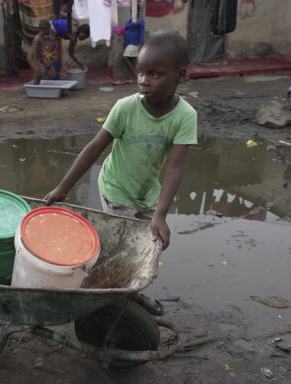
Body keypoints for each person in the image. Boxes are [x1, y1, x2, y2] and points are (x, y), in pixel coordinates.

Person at [44, 32, 197, 250]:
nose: (143, 81)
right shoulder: (125, 108)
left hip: (148, 193)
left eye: (155, 74)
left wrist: (161, 214)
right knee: (120, 244)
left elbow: (175, 167)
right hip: (116, 189)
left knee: (147, 241)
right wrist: (63, 187)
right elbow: (95, 147)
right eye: (141, 73)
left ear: (180, 76)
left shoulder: (185, 116)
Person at [115, 4, 145, 85]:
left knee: (125, 58)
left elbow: (142, 33)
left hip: (134, 43)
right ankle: (135, 77)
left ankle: (135, 75)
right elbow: (127, 28)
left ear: (138, 11)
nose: (132, 12)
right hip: (129, 43)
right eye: (131, 11)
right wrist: (122, 30)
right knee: (133, 60)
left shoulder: (140, 20)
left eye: (133, 11)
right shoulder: (131, 20)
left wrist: (141, 45)